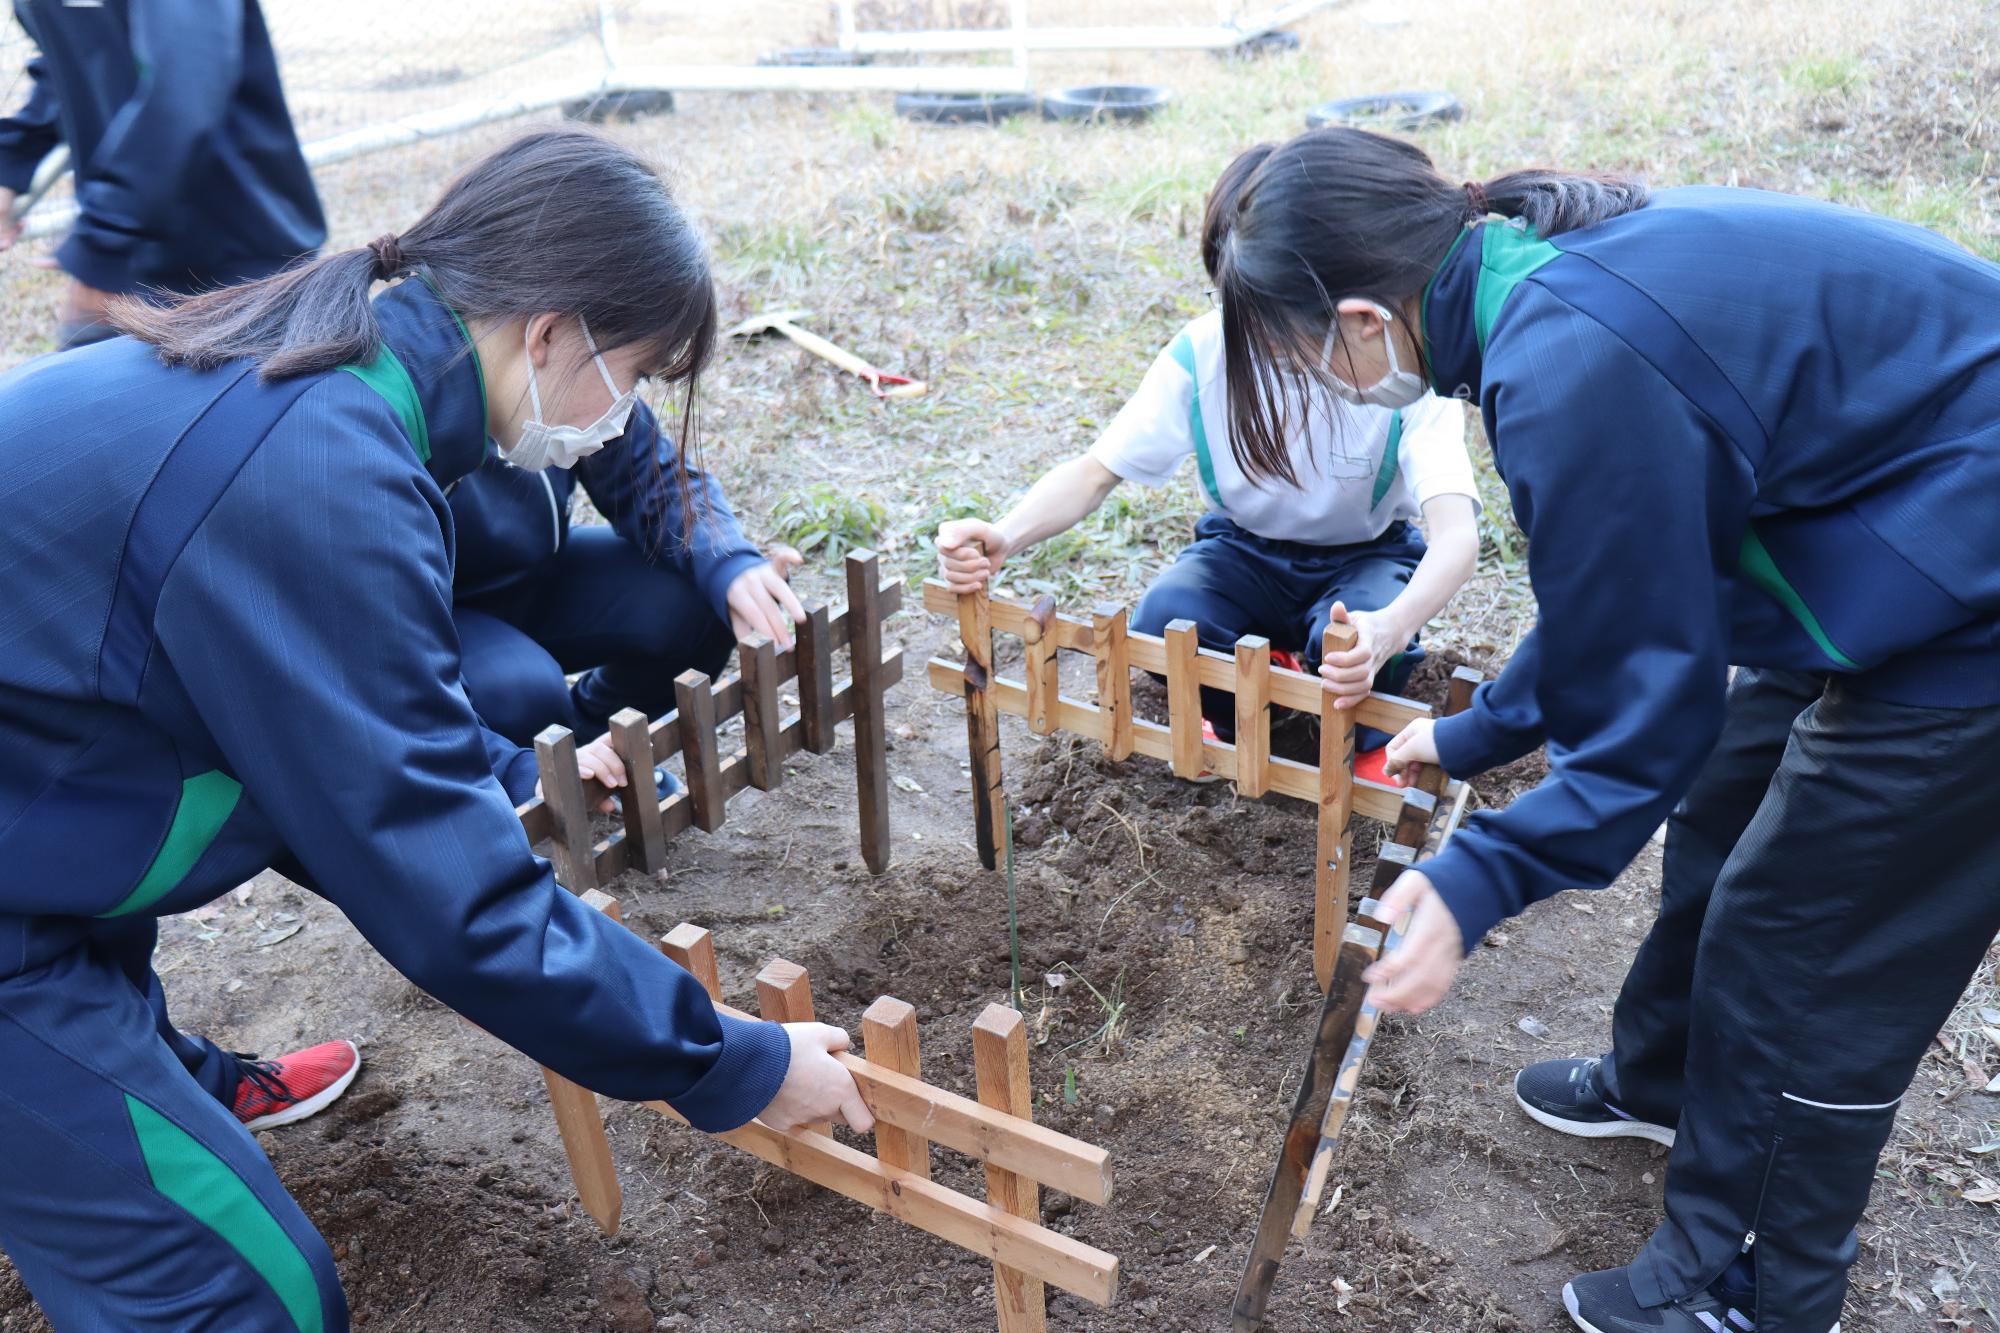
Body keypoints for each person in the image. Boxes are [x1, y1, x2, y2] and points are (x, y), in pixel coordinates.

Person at [0, 128, 869, 1332]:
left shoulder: (331, 371)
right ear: (552, 331)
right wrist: (736, 1064)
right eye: (633, 374)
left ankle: (157, 1084)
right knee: (250, 1296)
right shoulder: (322, 472)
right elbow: (445, 890)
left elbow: (347, 772)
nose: (620, 420)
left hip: (37, 789)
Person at [1208, 125, 2000, 1333]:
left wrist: (1480, 877)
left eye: (1296, 350)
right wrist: (1478, 734)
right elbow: (1625, 594)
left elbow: (1649, 710)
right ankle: (1670, 1082)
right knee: (1729, 804)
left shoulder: (1573, 355)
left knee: (1797, 941)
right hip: (1906, 520)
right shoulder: (1532, 281)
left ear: (1363, 320)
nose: (1315, 378)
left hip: (1968, 592)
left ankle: (1748, 1284)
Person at [935, 151, 1480, 783]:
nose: (1255, 329)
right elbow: (1094, 471)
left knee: (1357, 646)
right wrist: (1007, 535)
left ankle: (1357, 731)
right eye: (1237, 302)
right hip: (1241, 553)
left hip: (1363, 555)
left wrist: (1390, 627)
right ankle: (1243, 719)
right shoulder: (1203, 354)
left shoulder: (1397, 364)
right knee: (1165, 620)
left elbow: (1456, 536)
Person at [448, 413, 805, 750]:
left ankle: (594, 745)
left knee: (699, 594)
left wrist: (728, 562)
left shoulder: (584, 368)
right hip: (438, 610)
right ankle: (520, 782)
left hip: (540, 574)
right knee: (525, 695)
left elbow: (648, 471)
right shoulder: (426, 403)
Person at [0, 0, 326, 345]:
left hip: (232, 260)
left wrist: (108, 241)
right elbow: (74, 58)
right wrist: (11, 164)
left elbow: (188, 78)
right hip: (136, 258)